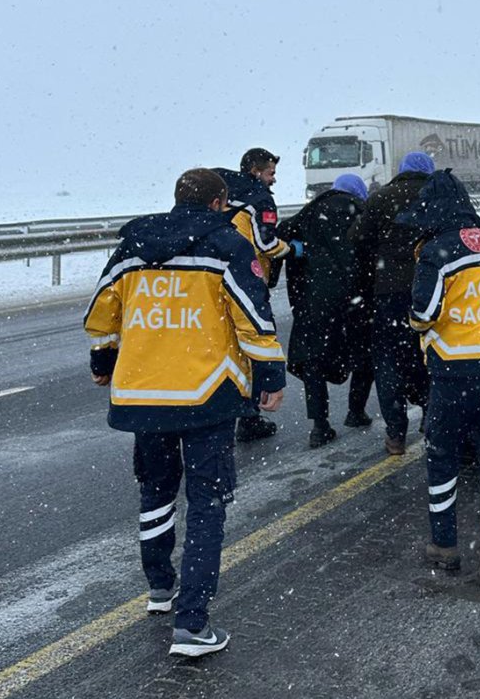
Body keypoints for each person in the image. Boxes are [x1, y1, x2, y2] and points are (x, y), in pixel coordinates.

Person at [84, 168, 286, 656]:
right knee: (207, 502)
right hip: (206, 392)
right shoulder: (226, 245)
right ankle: (192, 623)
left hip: (143, 393)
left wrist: (103, 362)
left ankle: (159, 588)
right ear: (219, 203)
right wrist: (270, 377)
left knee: (155, 491)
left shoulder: (133, 244)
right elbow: (253, 317)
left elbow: (101, 312)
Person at [396, 169, 480, 598]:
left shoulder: (436, 252)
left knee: (443, 452)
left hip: (454, 371)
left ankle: (445, 544)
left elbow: (424, 314)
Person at [278, 174, 375, 449]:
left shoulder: (309, 212)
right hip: (353, 299)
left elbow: (281, 238)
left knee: (314, 361)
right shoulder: (360, 211)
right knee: (364, 355)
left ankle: (319, 426)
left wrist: (300, 253)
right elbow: (370, 253)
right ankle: (356, 411)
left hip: (315, 301)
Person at [348, 151, 433, 456]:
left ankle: (396, 434)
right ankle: (431, 419)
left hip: (389, 293)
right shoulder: (438, 195)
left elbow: (357, 239)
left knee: (388, 361)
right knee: (430, 354)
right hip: (431, 288)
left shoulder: (380, 197)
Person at [214, 147, 293, 442]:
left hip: (212, 275)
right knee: (253, 342)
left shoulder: (221, 194)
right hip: (247, 275)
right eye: (270, 173)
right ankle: (249, 416)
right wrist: (293, 249)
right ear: (256, 171)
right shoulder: (260, 198)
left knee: (223, 344)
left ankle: (220, 407)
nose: (273, 179)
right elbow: (267, 242)